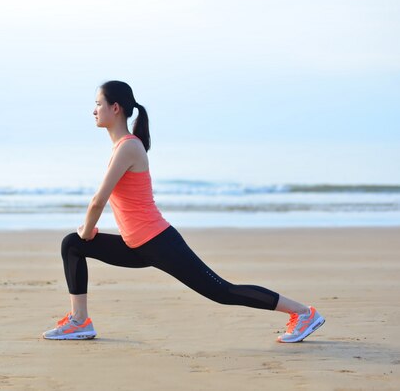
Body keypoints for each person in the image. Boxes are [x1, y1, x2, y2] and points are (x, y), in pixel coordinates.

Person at [42, 80, 325, 343]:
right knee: (73, 245)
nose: (94, 110)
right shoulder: (122, 147)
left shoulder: (128, 148)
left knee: (222, 292)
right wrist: (85, 233)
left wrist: (88, 228)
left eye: (99, 104)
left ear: (115, 108)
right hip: (136, 245)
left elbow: (97, 201)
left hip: (158, 241)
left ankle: (303, 313)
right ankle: (80, 321)